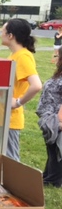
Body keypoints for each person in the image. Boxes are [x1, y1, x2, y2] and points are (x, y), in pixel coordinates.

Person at [0, 18, 42, 161]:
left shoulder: (23, 56)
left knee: (11, 162)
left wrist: (18, 102)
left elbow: (36, 85)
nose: (1, 34)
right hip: (2, 117)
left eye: (3, 31)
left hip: (10, 119)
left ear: (10, 35)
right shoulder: (14, 55)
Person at [36, 54, 62, 187]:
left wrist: (59, 122)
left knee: (56, 149)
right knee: (52, 149)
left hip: (56, 119)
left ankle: (53, 180)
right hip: (50, 118)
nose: (56, 58)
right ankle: (48, 175)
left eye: (59, 56)